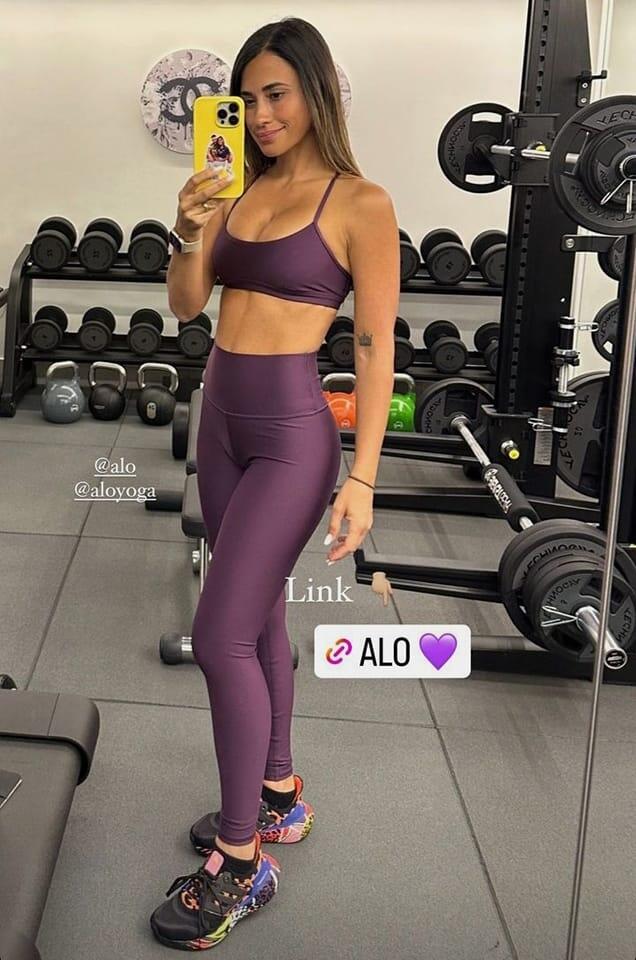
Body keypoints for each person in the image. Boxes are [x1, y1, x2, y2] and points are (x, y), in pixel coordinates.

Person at [150, 15, 399, 951]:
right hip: (219, 418)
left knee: (218, 635)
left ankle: (242, 859)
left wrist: (363, 476)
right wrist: (187, 228)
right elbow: (186, 305)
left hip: (293, 435)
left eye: (276, 94)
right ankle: (280, 791)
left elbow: (373, 347)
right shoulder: (234, 190)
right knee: (255, 621)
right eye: (247, 99)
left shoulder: (360, 202)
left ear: (316, 91)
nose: (259, 115)